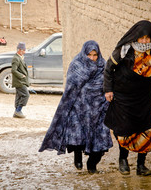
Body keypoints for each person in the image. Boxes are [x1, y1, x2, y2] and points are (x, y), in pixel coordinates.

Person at [103, 20, 151, 176]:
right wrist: (108, 90)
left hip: (144, 98)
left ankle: (141, 165)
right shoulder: (123, 51)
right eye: (142, 38)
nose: (145, 41)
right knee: (124, 129)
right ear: (135, 37)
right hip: (124, 97)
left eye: (148, 38)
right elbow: (108, 69)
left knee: (145, 128)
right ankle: (123, 161)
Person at [39, 40, 113, 174]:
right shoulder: (76, 65)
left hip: (99, 110)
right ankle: (77, 155)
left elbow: (109, 85)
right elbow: (70, 89)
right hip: (78, 109)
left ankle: (92, 164)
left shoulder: (104, 66)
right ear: (84, 54)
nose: (92, 58)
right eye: (89, 55)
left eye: (95, 55)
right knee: (78, 138)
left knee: (100, 139)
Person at [12, 42, 30, 118]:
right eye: (24, 50)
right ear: (19, 50)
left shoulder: (20, 57)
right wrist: (21, 76)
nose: (25, 52)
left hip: (20, 81)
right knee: (26, 95)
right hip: (19, 81)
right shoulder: (16, 58)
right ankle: (18, 110)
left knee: (19, 96)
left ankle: (16, 113)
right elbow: (13, 70)